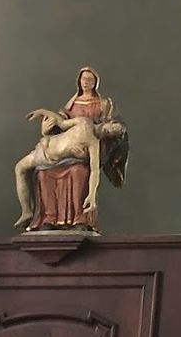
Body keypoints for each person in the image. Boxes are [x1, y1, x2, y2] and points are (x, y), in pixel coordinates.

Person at [13, 66, 128, 231]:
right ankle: (47, 219)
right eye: (84, 79)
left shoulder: (104, 105)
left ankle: (80, 220)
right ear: (79, 81)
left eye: (90, 79)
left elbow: (96, 166)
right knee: (43, 174)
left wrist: (85, 156)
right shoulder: (78, 113)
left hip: (82, 155)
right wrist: (45, 124)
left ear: (96, 82)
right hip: (57, 149)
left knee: (78, 172)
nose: (87, 82)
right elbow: (60, 124)